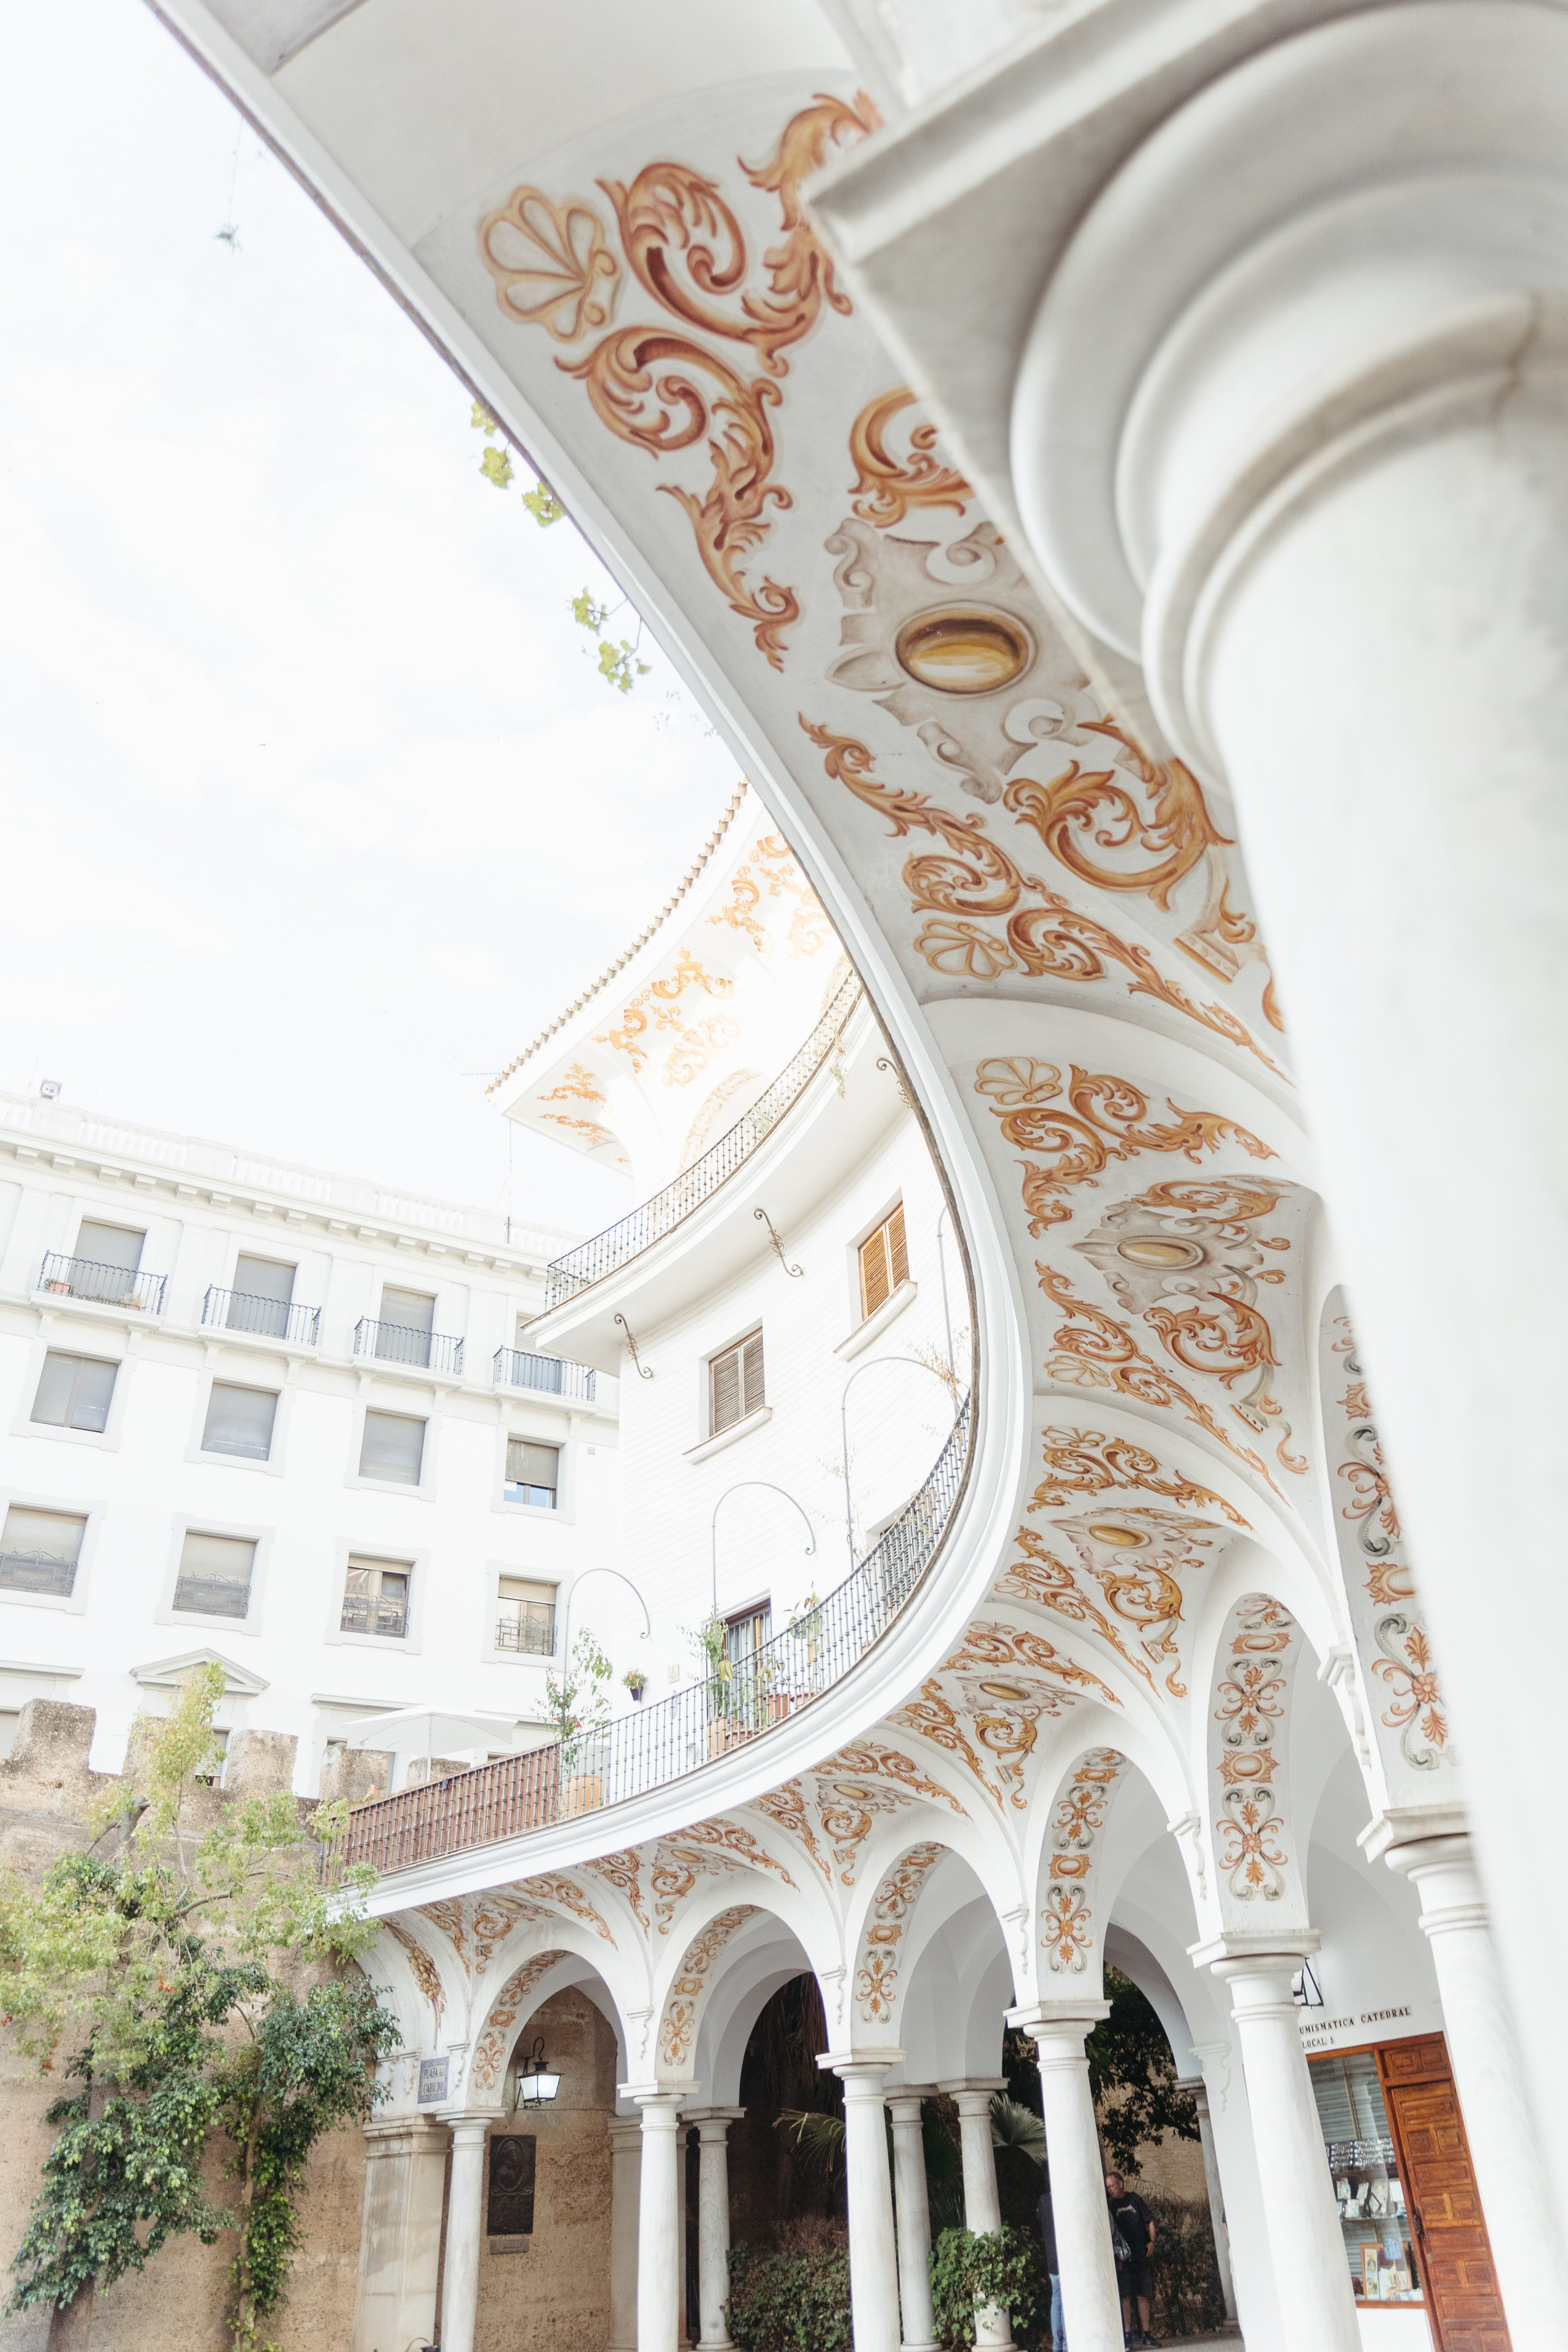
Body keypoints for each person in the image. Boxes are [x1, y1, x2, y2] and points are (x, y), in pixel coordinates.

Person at [1106, 2171, 1159, 2346]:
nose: (1110, 2189)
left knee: (1143, 2294)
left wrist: (1152, 2242)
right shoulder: (1111, 2205)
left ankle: (1147, 2334)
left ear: (1120, 2184)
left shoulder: (1135, 2200)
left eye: (1112, 2185)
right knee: (1126, 2296)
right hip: (1123, 2260)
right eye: (1108, 2187)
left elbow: (1150, 2220)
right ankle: (1127, 2334)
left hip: (1140, 2255)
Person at [1036, 2180, 1066, 2351]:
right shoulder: (1064, 2199)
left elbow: (1039, 2217)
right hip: (1064, 2260)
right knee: (1065, 2302)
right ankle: (1068, 2345)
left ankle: (1057, 2346)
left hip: (1052, 2261)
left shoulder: (1044, 2200)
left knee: (1056, 2301)